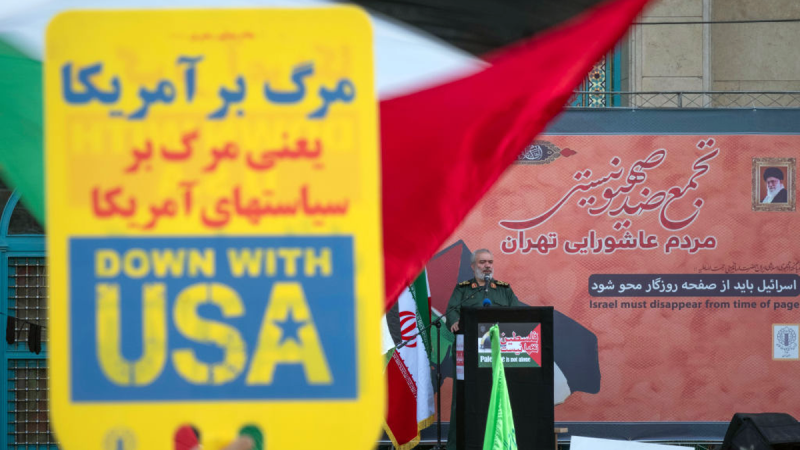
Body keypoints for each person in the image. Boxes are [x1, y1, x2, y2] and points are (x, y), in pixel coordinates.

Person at [445, 248, 524, 450]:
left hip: (499, 353)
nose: (487, 265)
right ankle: (457, 445)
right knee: (463, 399)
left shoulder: (504, 289)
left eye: (490, 262)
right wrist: (454, 321)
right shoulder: (463, 289)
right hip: (469, 354)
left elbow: (517, 313)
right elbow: (452, 310)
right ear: (473, 266)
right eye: (482, 262)